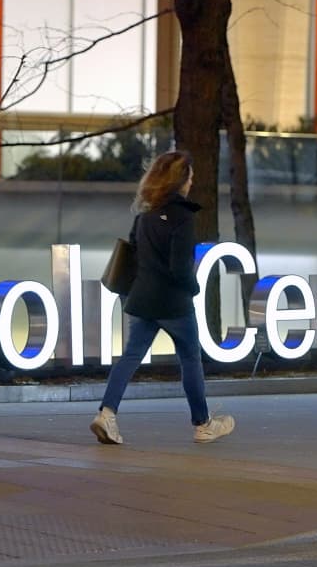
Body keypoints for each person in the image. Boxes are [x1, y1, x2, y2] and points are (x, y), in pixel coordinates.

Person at [90, 150, 236, 445]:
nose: (192, 182)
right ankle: (203, 424)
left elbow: (133, 254)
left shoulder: (145, 216)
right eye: (190, 177)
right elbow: (180, 268)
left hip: (143, 300)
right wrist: (194, 289)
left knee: (130, 356)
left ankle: (106, 413)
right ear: (180, 181)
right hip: (174, 303)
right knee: (190, 358)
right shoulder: (183, 217)